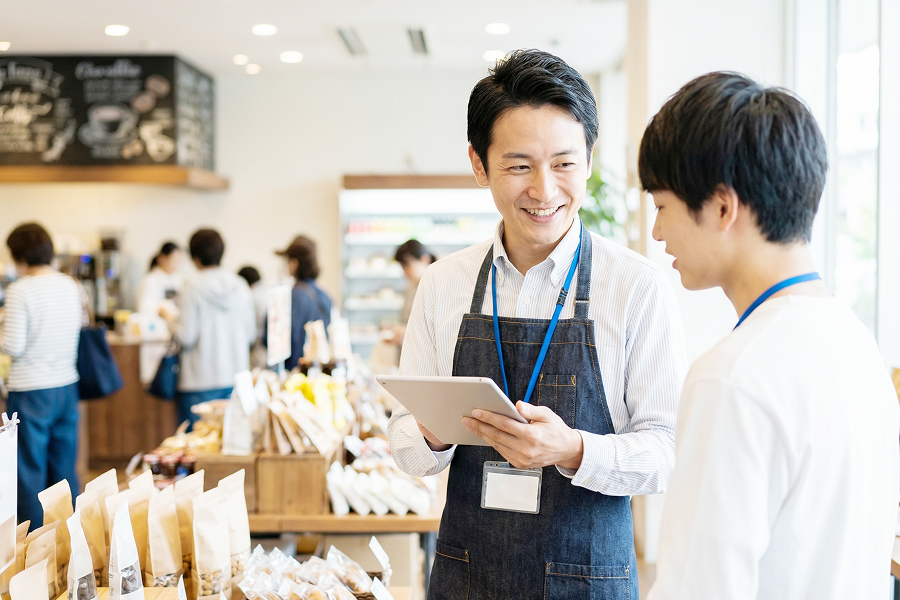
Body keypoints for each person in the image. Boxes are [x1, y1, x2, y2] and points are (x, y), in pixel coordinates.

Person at [387, 49, 685, 599]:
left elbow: (665, 453)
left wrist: (572, 449)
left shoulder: (637, 286)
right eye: (519, 165)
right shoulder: (443, 284)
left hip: (590, 579)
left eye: (565, 164)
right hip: (467, 576)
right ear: (480, 164)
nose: (544, 190)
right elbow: (406, 448)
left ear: (590, 159)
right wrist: (432, 430)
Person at [641, 73, 899, 599]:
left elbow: (699, 589)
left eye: (662, 205)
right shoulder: (859, 345)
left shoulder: (732, 376)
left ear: (721, 206)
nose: (657, 232)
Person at [1, 223, 83, 528]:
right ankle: (68, 543)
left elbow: (14, 346)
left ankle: (35, 549)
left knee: (29, 471)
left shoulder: (20, 289)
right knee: (63, 470)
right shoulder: (71, 285)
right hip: (66, 385)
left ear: (19, 255)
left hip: (30, 389)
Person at [175, 229, 256, 429]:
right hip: (235, 377)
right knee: (230, 447)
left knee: (197, 448)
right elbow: (250, 334)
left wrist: (170, 320)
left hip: (198, 380)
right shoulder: (240, 286)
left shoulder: (191, 287)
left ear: (194, 257)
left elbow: (186, 336)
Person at [272, 236, 332, 370]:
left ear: (294, 263)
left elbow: (275, 339)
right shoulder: (325, 296)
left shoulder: (293, 296)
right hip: (320, 372)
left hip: (296, 372)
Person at [394, 239, 436, 326]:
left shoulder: (438, 287)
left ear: (425, 259)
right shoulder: (410, 288)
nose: (404, 271)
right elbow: (404, 320)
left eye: (407, 265)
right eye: (402, 266)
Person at [137, 241, 183, 320]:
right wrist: (160, 310)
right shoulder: (150, 280)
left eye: (179, 261)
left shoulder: (177, 279)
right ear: (161, 259)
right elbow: (143, 307)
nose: (176, 265)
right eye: (174, 260)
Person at [238, 265, 268, 370]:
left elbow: (249, 330)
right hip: (269, 350)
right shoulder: (267, 293)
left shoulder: (250, 297)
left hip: (257, 350)